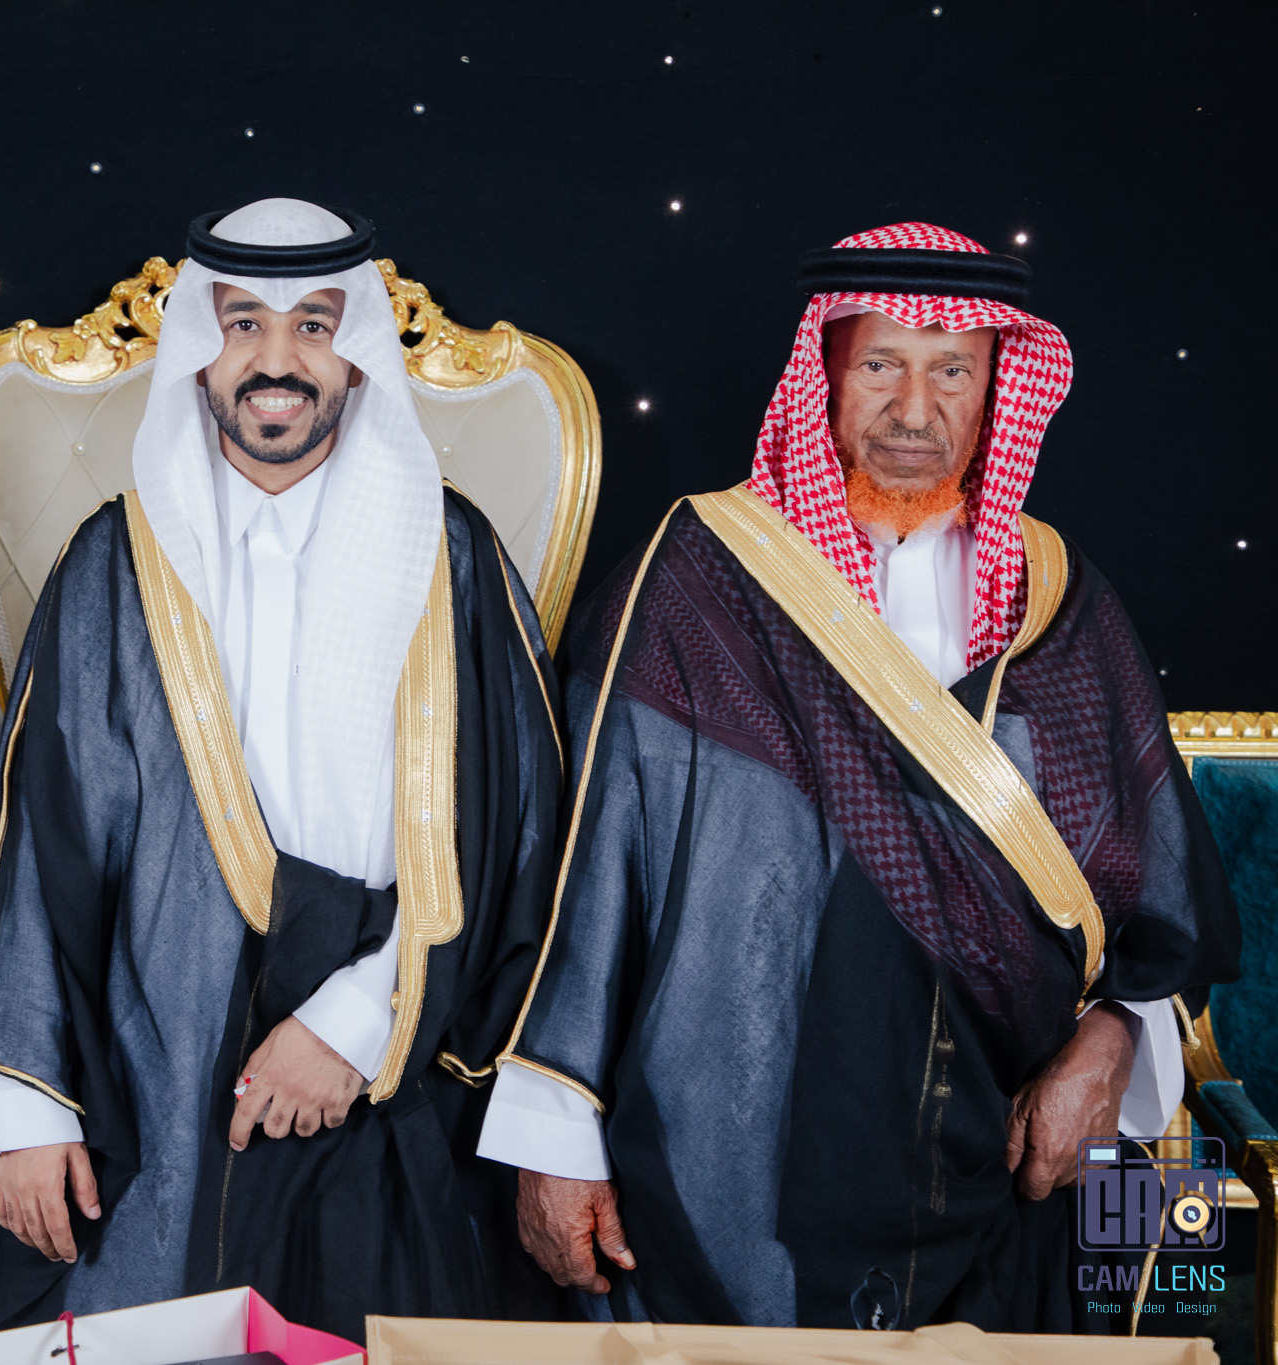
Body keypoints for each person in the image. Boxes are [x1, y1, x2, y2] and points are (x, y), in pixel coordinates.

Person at [484, 222, 1239, 1331]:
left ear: (998, 387)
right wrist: (552, 1142)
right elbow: (581, 877)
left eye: (952, 371)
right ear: (824, 373)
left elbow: (1153, 900)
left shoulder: (1059, 602)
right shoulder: (698, 582)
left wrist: (1117, 1039)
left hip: (1004, 1164)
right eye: (881, 363)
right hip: (734, 1161)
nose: (914, 410)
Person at [0, 199, 570, 1338]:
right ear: (200, 348)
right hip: (158, 1058)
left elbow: (518, 833)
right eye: (243, 324)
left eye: (313, 326)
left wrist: (356, 1022)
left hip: (395, 1058)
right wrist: (30, 1109)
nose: (275, 361)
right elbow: (43, 837)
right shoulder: (114, 560)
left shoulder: (454, 557)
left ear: (357, 354)